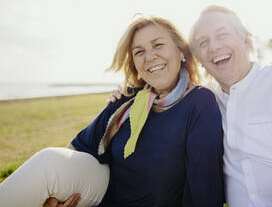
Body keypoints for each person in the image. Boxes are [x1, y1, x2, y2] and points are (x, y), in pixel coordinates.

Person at [107, 6, 272, 207]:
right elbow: (164, 90)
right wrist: (127, 94)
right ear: (197, 58)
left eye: (223, 34)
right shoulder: (202, 101)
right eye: (203, 43)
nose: (215, 47)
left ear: (246, 39)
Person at [0, 16, 224, 207]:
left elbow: (204, 190)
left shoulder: (200, 103)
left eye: (158, 45)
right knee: (48, 161)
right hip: (103, 196)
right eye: (139, 52)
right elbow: (76, 150)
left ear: (181, 51)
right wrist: (54, 197)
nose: (150, 57)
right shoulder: (128, 99)